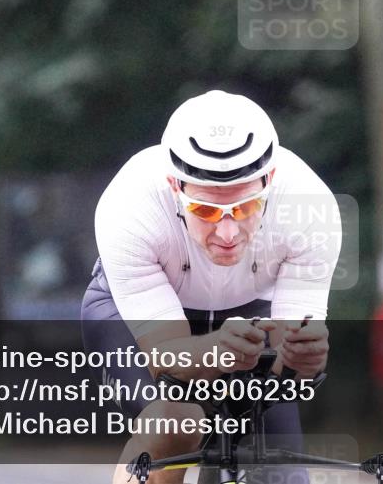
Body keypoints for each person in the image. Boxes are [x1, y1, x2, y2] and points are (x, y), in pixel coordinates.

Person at [81, 90, 339, 484]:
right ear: (174, 186)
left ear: (270, 181)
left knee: (282, 474)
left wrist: (304, 357)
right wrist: (216, 350)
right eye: (204, 210)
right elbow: (165, 358)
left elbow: (294, 361)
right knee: (176, 422)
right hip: (139, 321)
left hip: (250, 312)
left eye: (246, 207)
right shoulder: (129, 204)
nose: (228, 232)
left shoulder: (309, 206)